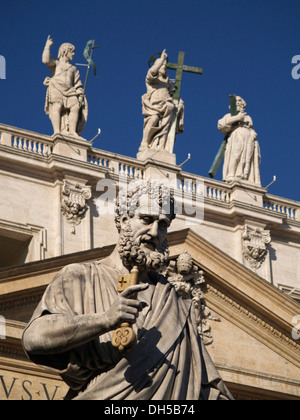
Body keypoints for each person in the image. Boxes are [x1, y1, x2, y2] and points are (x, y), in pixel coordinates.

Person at [22, 180, 232, 400]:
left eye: (162, 225)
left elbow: (205, 386)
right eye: (147, 219)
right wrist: (105, 320)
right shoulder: (80, 276)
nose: (154, 232)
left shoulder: (175, 302)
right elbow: (34, 339)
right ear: (124, 221)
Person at [42, 35, 88, 138]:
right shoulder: (57, 63)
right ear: (65, 51)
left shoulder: (73, 68)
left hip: (70, 91)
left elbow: (77, 83)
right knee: (57, 107)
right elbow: (45, 60)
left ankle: (72, 131)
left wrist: (80, 91)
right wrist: (47, 46)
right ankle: (57, 131)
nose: (73, 54)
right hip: (56, 86)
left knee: (75, 107)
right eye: (71, 51)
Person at [140, 50, 184, 152]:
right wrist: (161, 60)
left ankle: (161, 145)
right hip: (154, 107)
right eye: (162, 66)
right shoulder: (152, 80)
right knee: (154, 119)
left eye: (165, 66)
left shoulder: (167, 83)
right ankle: (145, 142)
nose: (164, 67)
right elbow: (151, 72)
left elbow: (174, 95)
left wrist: (179, 102)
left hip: (167, 108)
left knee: (165, 127)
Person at [218, 96, 261, 185]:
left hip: (248, 138)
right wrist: (237, 118)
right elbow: (221, 125)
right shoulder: (229, 116)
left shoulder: (248, 117)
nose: (237, 103)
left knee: (246, 158)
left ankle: (242, 175)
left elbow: (250, 128)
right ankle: (231, 174)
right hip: (237, 135)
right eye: (236, 102)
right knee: (236, 155)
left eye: (239, 101)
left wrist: (253, 133)